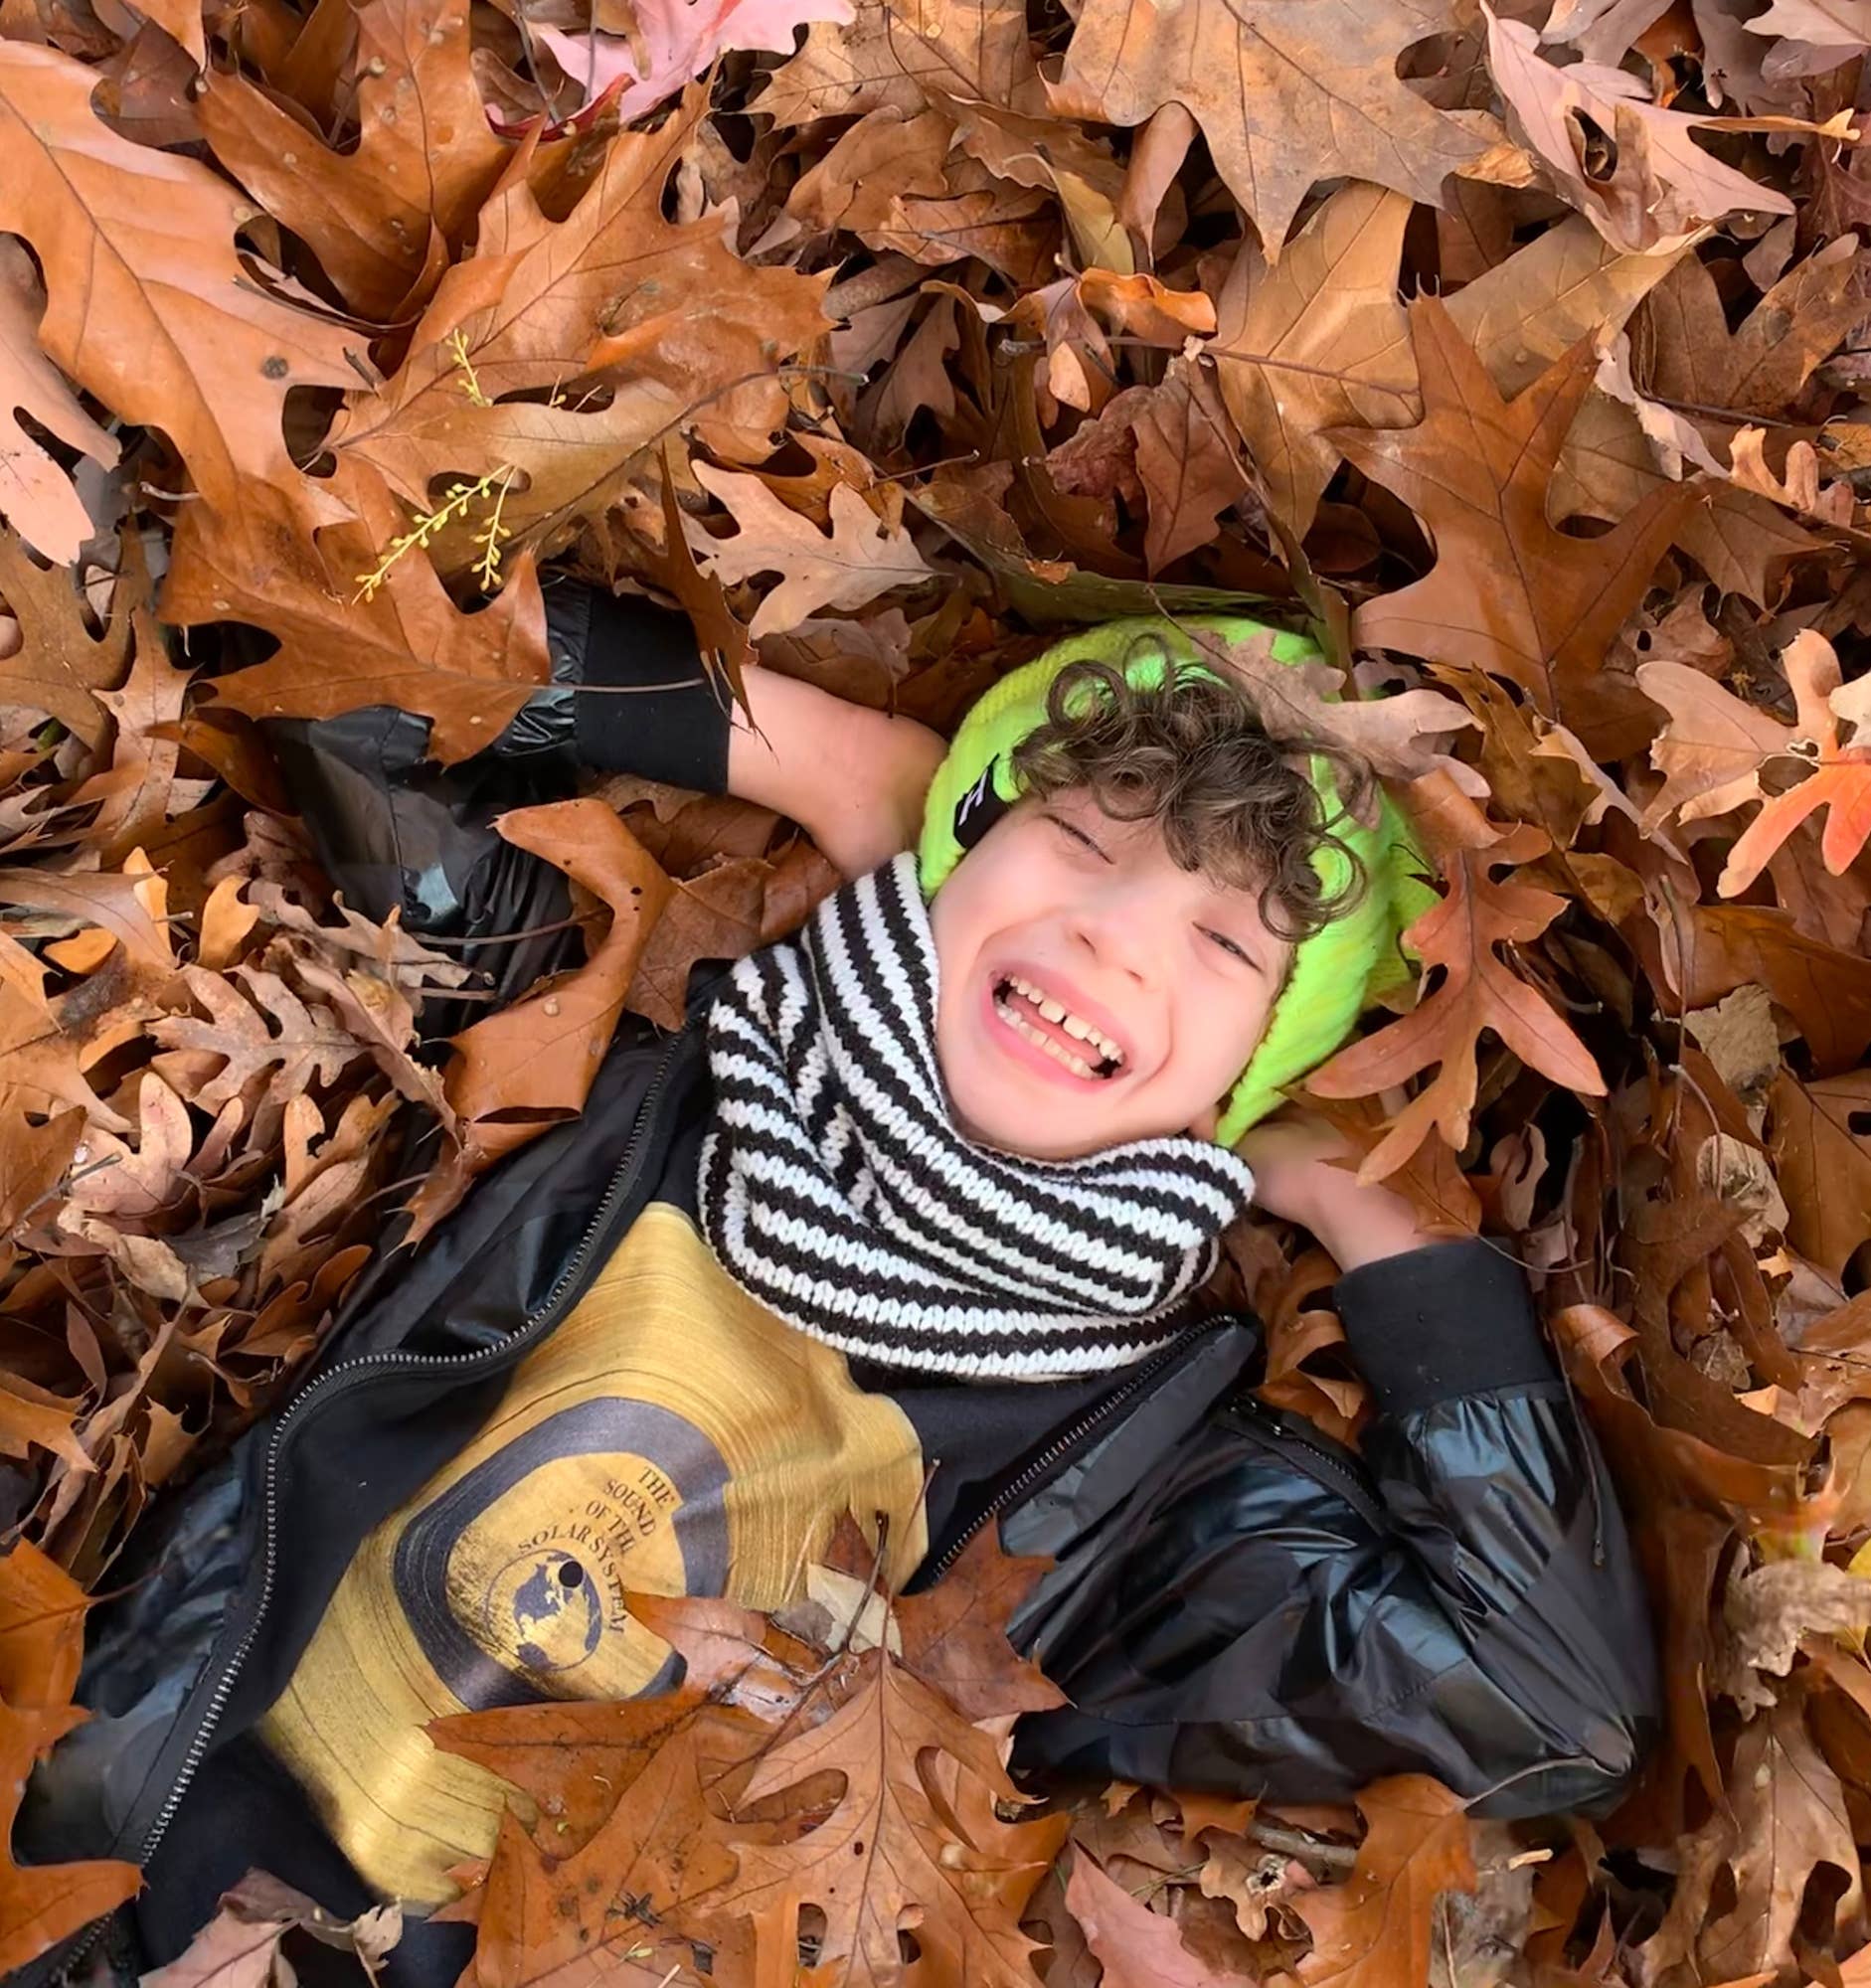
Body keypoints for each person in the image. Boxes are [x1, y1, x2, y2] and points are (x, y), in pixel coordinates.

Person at [21, 601, 1657, 1987]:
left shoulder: (1133, 1506)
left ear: (1264, 1078)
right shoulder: (621, 1081)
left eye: (1228, 953)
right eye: (1075, 838)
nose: (1110, 936)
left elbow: (1543, 1702)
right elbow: (346, 632)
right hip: (77, 1861)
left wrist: (1366, 1199)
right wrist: (832, 759)